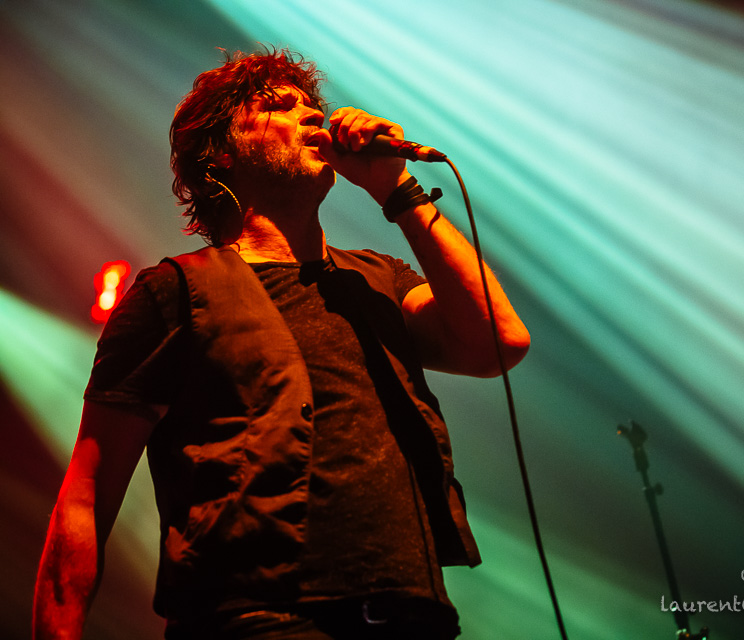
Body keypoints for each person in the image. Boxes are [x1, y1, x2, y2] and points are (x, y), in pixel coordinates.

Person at [33, 48, 530, 639]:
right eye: (279, 106)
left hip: (411, 613)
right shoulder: (174, 292)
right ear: (221, 153)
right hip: (256, 620)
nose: (312, 116)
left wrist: (398, 191)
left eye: (310, 106)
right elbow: (87, 496)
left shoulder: (380, 280)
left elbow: (498, 342)